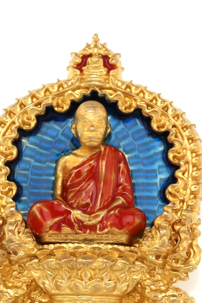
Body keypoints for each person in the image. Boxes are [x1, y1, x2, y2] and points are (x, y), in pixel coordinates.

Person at [27, 101, 146, 243]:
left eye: (99, 123)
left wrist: (104, 213)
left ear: (107, 129)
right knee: (38, 210)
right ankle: (98, 233)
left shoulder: (116, 156)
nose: (92, 128)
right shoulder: (66, 161)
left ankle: (73, 233)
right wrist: (72, 213)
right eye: (85, 123)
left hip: (105, 218)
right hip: (72, 218)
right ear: (74, 129)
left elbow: (124, 195)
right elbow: (59, 199)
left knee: (137, 217)